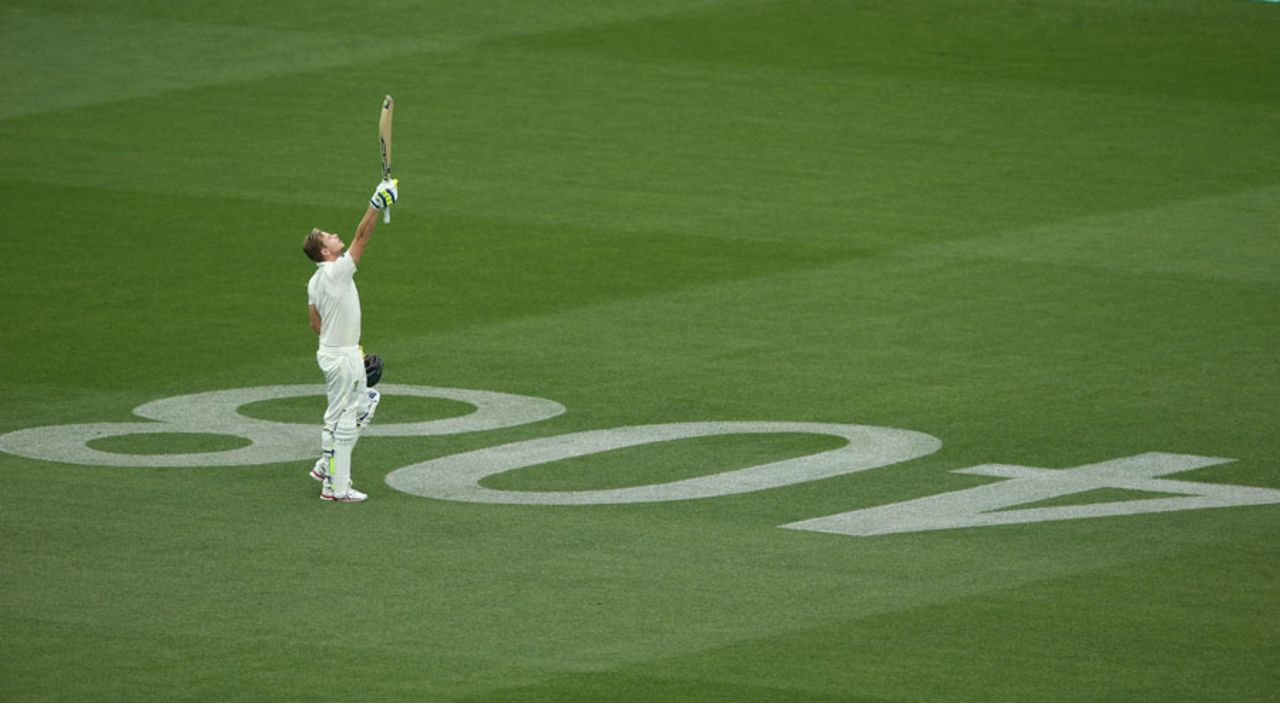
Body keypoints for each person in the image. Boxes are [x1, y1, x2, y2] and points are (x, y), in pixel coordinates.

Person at [300, 179, 398, 502]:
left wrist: (342, 343)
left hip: (337, 352)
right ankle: (334, 487)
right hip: (341, 356)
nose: (335, 235)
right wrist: (376, 203)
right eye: (329, 236)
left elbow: (316, 323)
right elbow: (362, 237)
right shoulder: (335, 272)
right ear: (325, 251)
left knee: (365, 404)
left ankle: (325, 466)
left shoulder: (315, 282)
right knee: (339, 418)